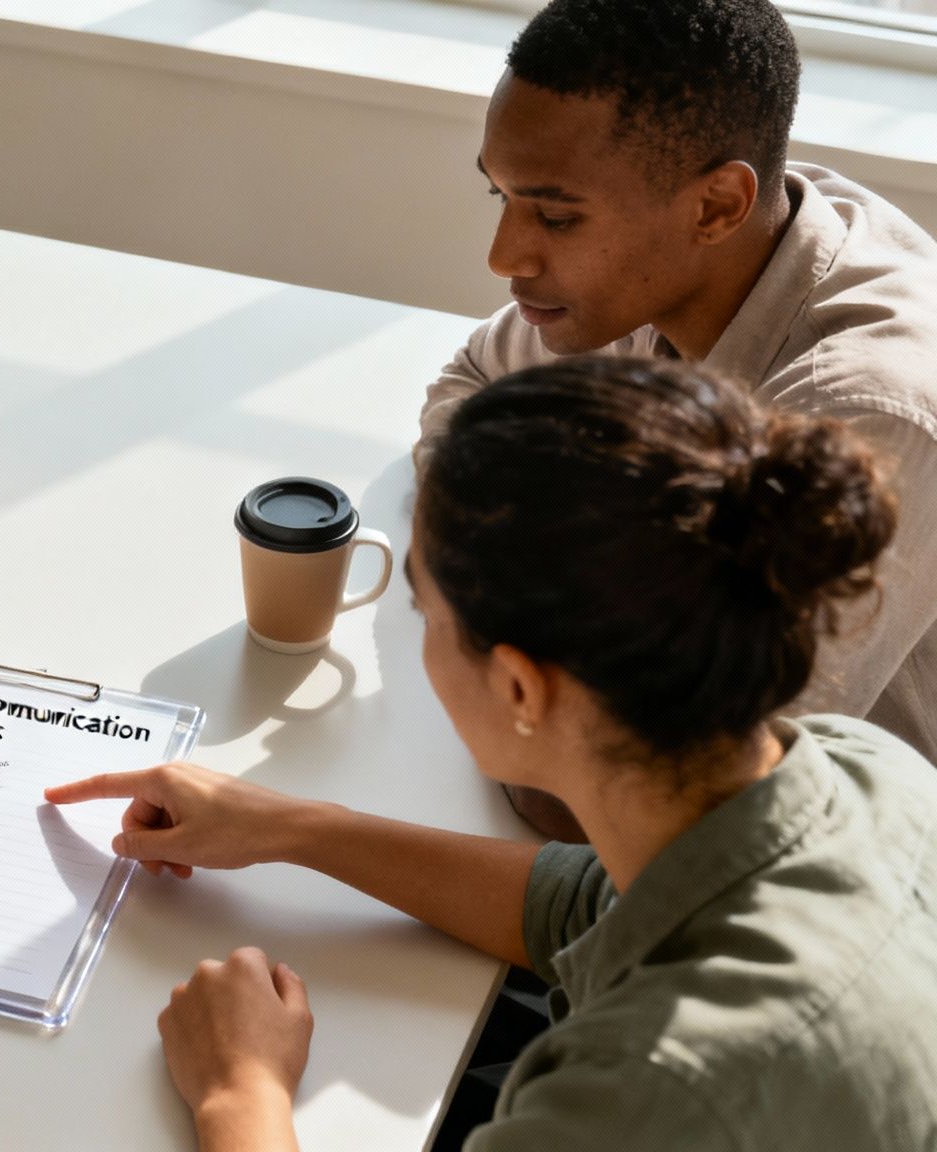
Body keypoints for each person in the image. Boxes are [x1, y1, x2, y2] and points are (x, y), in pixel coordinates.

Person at [51, 357, 937, 1150]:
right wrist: (293, 827)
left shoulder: (651, 1089)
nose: (419, 640)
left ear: (519, 686)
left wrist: (238, 1093)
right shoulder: (856, 767)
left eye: (426, 613)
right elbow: (582, 905)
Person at [421, 0, 937, 836]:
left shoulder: (868, 415)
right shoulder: (670, 261)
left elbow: (676, 801)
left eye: (554, 216)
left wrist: (506, 622)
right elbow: (473, 377)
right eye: (501, 196)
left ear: (716, 207)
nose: (504, 256)